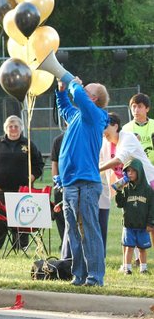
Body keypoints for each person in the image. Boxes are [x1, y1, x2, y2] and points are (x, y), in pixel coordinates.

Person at [56, 77, 109, 286]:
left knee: (89, 229)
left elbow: (77, 94)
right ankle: (79, 275)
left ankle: (95, 276)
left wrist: (71, 81)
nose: (81, 88)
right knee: (73, 232)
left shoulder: (95, 115)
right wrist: (61, 91)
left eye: (86, 90)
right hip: (70, 182)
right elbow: (64, 106)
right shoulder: (78, 115)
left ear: (93, 99)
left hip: (86, 182)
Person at [0, 115, 44, 251]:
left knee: (22, 217)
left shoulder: (28, 144)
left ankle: (22, 245)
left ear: (21, 128)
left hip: (22, 189)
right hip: (0, 189)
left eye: (16, 126)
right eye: (10, 126)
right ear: (6, 128)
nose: (13, 129)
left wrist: (31, 177)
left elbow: (39, 163)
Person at [99, 112, 154, 256]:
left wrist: (96, 169)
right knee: (133, 220)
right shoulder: (106, 142)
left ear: (115, 126)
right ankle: (135, 261)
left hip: (148, 184)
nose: (102, 130)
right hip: (130, 187)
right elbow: (101, 161)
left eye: (105, 126)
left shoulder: (127, 137)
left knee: (151, 224)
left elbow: (119, 159)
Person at [115, 159, 154, 274]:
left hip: (143, 226)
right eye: (127, 171)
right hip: (129, 225)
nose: (130, 173)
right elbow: (120, 204)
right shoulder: (126, 189)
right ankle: (127, 268)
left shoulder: (147, 190)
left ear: (140, 172)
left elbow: (152, 208)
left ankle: (143, 268)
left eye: (133, 171)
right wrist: (118, 192)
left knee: (142, 248)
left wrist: (150, 223)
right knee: (129, 247)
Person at [122, 93, 153, 164]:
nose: (136, 110)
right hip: (134, 170)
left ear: (147, 109)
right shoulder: (125, 128)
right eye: (134, 106)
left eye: (140, 106)